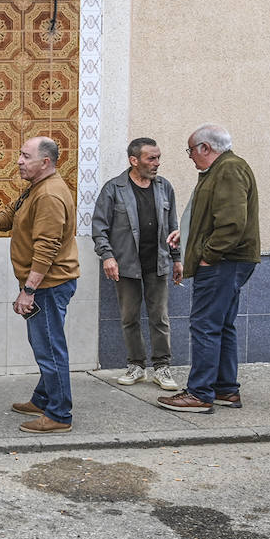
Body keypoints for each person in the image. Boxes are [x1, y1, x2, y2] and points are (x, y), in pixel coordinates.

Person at [0, 137, 79, 434]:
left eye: (25, 156)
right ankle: (44, 399)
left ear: (45, 162)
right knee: (45, 342)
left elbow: (46, 247)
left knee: (49, 348)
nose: (18, 160)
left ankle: (59, 414)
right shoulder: (37, 189)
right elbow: (13, 215)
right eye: (20, 154)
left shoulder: (50, 195)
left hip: (49, 285)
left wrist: (28, 290)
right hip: (48, 284)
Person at [158, 124, 260, 413]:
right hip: (231, 261)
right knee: (222, 325)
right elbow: (213, 215)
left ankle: (200, 393)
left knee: (205, 326)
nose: (190, 157)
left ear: (206, 148)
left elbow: (231, 222)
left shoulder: (227, 169)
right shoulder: (224, 169)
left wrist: (208, 256)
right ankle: (225, 389)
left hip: (223, 263)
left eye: (191, 150)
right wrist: (188, 233)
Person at [91, 138, 184, 392]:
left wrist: (177, 260)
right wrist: (107, 256)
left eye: (158, 158)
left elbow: (173, 227)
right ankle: (136, 366)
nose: (157, 163)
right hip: (126, 264)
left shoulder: (165, 187)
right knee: (129, 317)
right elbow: (99, 228)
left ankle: (162, 367)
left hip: (158, 262)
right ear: (134, 160)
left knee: (160, 318)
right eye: (150, 158)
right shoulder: (114, 189)